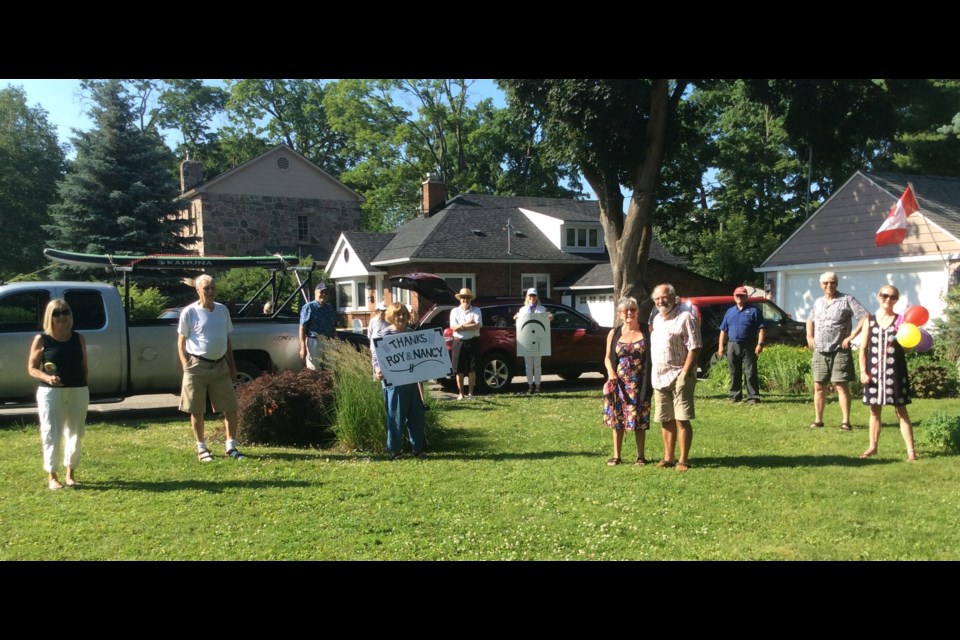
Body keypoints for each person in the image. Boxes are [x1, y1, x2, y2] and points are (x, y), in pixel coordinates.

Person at [177, 274, 245, 462]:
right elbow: (181, 343)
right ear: (198, 290)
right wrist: (187, 367)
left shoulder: (222, 311)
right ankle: (202, 448)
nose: (211, 291)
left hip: (220, 365)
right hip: (197, 366)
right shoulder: (189, 312)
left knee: (230, 407)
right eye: (206, 288)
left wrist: (232, 365)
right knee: (197, 409)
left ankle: (231, 447)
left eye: (213, 288)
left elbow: (227, 340)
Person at [27, 299, 89, 490]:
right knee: (51, 432)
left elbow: (84, 365)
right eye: (56, 313)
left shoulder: (79, 338)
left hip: (78, 390)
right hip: (51, 393)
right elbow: (31, 368)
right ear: (50, 317)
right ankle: (52, 476)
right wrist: (47, 378)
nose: (62, 317)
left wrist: (84, 386)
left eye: (65, 312)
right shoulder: (42, 339)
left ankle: (70, 474)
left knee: (76, 433)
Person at [852, 285, 918, 461]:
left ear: (897, 299)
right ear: (878, 296)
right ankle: (872, 447)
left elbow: (907, 347)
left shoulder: (901, 321)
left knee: (901, 411)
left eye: (893, 297)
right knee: (874, 411)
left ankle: (911, 451)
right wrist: (863, 372)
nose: (888, 299)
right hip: (874, 374)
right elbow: (863, 349)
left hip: (895, 373)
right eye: (885, 295)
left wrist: (910, 341)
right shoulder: (869, 320)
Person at [806, 271, 868, 431]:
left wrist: (851, 337)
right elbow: (810, 319)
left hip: (840, 350)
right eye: (825, 283)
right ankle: (818, 420)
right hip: (820, 350)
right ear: (821, 285)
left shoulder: (847, 300)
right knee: (819, 386)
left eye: (832, 282)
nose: (829, 285)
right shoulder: (818, 302)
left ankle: (846, 421)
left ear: (836, 283)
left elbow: (865, 317)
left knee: (841, 385)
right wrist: (809, 335)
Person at [649, 283, 701, 472]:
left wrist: (685, 373)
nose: (661, 301)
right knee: (666, 419)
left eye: (664, 297)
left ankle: (683, 460)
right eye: (657, 299)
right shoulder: (657, 319)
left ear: (673, 297)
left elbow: (695, 347)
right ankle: (668, 457)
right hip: (660, 377)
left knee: (681, 419)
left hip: (680, 375)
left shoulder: (686, 317)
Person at [372, 303, 427, 460]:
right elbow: (376, 358)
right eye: (398, 314)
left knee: (417, 416)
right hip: (394, 383)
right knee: (395, 416)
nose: (401, 317)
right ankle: (394, 451)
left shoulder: (412, 334)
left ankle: (417, 449)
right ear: (391, 317)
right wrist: (377, 370)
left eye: (403, 314)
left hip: (413, 382)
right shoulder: (384, 335)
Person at [602, 296, 652, 466]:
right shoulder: (614, 333)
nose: (629, 313)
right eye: (626, 310)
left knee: (639, 419)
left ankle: (640, 456)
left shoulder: (647, 331)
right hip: (618, 383)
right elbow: (607, 358)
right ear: (620, 314)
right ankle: (616, 455)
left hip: (640, 383)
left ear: (637, 312)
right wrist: (610, 372)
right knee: (617, 418)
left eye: (633, 310)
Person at [717, 286, 766, 404]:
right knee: (734, 371)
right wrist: (720, 347)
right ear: (734, 297)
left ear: (746, 297)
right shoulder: (730, 312)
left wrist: (760, 344)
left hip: (748, 344)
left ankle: (753, 397)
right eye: (737, 295)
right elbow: (723, 330)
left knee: (750, 372)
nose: (739, 297)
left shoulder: (754, 311)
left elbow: (762, 329)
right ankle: (735, 395)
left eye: (741, 295)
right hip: (732, 344)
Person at [513, 288, 554, 394]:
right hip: (527, 340)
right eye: (530, 296)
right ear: (527, 297)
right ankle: (530, 385)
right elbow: (518, 322)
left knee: (537, 364)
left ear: (537, 297)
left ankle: (538, 385)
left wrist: (550, 317)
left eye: (534, 296)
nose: (532, 298)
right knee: (528, 364)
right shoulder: (522, 310)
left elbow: (547, 319)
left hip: (538, 339)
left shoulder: (542, 309)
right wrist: (516, 317)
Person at [450, 287, 482, 400]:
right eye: (463, 297)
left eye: (467, 297)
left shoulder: (477, 310)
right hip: (459, 343)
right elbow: (454, 328)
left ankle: (471, 394)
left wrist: (461, 326)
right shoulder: (454, 311)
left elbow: (477, 325)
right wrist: (468, 323)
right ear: (460, 299)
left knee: (472, 369)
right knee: (459, 370)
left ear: (470, 299)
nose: (465, 299)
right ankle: (461, 394)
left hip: (473, 341)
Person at [299, 282, 336, 370]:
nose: (324, 295)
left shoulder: (329, 308)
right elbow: (302, 328)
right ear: (315, 293)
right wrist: (303, 347)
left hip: (329, 341)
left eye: (326, 293)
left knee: (331, 369)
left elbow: (333, 327)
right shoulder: (309, 307)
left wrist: (336, 343)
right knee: (314, 369)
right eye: (321, 292)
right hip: (314, 342)